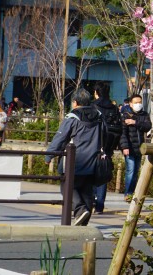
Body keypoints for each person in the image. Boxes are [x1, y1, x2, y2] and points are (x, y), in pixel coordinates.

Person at [45, 88, 104, 226]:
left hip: (74, 161)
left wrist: (49, 155)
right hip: (93, 160)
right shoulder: (99, 116)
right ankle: (84, 219)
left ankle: (80, 210)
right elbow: (106, 136)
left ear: (75, 102)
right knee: (86, 190)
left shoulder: (73, 117)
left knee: (67, 187)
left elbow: (60, 138)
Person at [92, 85, 123, 214]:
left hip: (95, 144)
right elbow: (119, 127)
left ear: (96, 92)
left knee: (92, 174)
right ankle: (100, 206)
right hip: (109, 145)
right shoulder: (114, 108)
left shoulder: (93, 106)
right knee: (103, 174)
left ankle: (92, 201)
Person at [119, 93, 151, 201]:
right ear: (131, 104)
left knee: (136, 171)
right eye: (136, 102)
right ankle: (127, 193)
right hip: (129, 147)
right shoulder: (125, 114)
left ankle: (132, 192)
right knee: (130, 170)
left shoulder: (144, 114)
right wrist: (125, 147)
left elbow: (147, 126)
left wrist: (135, 122)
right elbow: (122, 133)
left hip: (139, 147)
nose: (138, 104)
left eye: (140, 102)